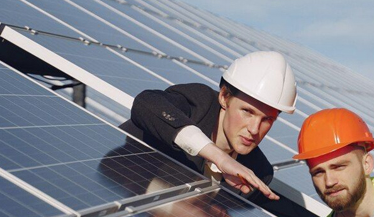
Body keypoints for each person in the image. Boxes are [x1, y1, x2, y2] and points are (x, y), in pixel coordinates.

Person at [119, 51, 297, 200]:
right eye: (247, 112)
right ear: (224, 97)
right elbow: (147, 103)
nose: (254, 129)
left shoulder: (259, 171)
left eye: (267, 119)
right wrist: (220, 157)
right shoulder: (199, 103)